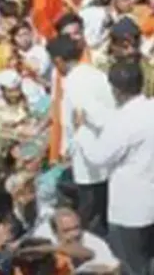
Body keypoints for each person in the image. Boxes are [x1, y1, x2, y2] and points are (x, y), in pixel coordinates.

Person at [73, 60, 154, 275]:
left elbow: (99, 156)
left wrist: (81, 132)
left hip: (133, 211)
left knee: (132, 268)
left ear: (114, 89)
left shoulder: (123, 121)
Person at [46, 33, 116, 237]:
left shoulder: (76, 82)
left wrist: (76, 140)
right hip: (102, 161)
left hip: (91, 165)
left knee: (92, 225)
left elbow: (95, 115)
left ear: (58, 60)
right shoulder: (96, 75)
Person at [31, 207, 120, 273]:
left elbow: (113, 268)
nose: (74, 234)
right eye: (67, 231)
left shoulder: (96, 244)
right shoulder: (44, 236)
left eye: (76, 228)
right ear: (55, 232)